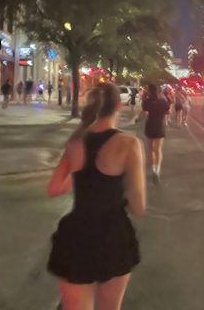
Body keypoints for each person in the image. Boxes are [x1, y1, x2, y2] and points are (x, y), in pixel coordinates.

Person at [46, 83, 145, 310]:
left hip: (77, 235)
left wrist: (83, 178)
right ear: (119, 106)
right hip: (113, 236)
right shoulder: (128, 144)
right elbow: (138, 206)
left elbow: (53, 188)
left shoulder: (76, 141)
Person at [139, 84, 170, 184]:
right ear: (158, 91)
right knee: (158, 150)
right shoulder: (163, 101)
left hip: (150, 126)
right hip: (159, 127)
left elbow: (144, 114)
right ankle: (158, 170)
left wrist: (137, 119)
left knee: (151, 149)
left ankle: (153, 168)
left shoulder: (147, 101)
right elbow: (167, 112)